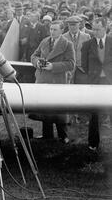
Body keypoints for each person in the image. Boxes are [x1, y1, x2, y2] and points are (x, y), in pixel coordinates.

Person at [31, 21, 75, 144]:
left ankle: (63, 136)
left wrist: (53, 66)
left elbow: (71, 64)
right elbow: (33, 55)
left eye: (55, 29)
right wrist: (37, 62)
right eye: (51, 29)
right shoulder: (45, 41)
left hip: (57, 81)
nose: (52, 32)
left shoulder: (67, 44)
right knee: (45, 108)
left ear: (62, 31)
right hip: (43, 79)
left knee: (59, 108)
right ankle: (47, 135)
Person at [82, 18, 112, 151]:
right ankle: (93, 143)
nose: (94, 32)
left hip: (110, 82)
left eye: (97, 29)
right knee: (94, 114)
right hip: (94, 83)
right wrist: (94, 75)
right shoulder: (88, 44)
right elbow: (84, 65)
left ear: (105, 28)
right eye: (93, 29)